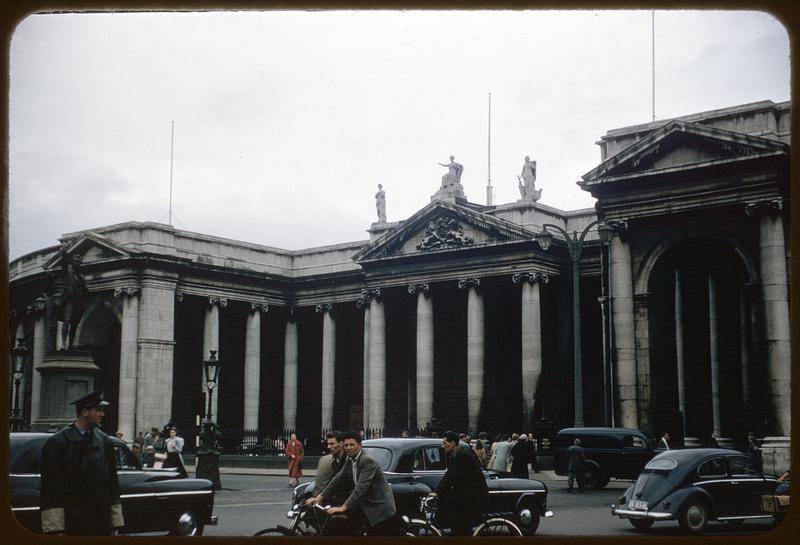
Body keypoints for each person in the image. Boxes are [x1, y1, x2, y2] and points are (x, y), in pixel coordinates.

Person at [39, 390, 125, 535]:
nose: (102, 414)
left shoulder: (105, 441)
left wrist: (115, 521)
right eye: (98, 410)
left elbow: (112, 483)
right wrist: (55, 528)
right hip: (72, 522)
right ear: (85, 412)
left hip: (100, 521)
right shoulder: (57, 442)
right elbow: (50, 488)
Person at [310, 430, 400, 536]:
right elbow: (338, 479)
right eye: (346, 445)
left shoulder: (367, 461)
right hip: (363, 502)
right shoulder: (350, 458)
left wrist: (343, 507)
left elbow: (361, 488)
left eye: (352, 444)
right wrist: (320, 497)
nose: (348, 448)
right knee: (339, 523)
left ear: (360, 445)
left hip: (377, 506)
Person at [428, 431, 488, 536]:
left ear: (454, 443)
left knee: (461, 525)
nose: (443, 446)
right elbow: (448, 475)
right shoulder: (453, 457)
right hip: (464, 491)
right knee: (450, 510)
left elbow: (452, 477)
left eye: (445, 443)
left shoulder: (463, 456)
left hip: (474, 495)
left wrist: (438, 492)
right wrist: (437, 491)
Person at [312, 430, 346, 497]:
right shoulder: (334, 461)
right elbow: (331, 483)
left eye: (332, 444)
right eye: (328, 444)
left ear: (341, 444)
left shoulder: (348, 460)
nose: (328, 447)